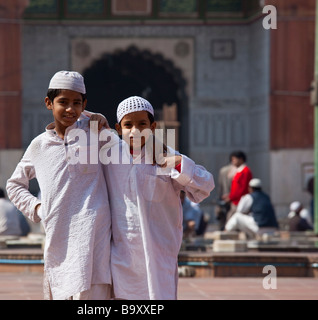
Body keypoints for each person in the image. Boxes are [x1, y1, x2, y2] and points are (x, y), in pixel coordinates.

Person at [6, 70, 116, 300]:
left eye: (77, 103)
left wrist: (100, 121)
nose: (70, 109)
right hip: (59, 238)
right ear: (49, 103)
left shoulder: (94, 132)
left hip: (95, 236)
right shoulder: (39, 146)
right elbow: (14, 185)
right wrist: (37, 209)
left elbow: (123, 156)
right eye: (63, 102)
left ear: (84, 104)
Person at [103, 96, 215, 300]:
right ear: (118, 129)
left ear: (153, 126)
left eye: (142, 124)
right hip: (122, 252)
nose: (135, 130)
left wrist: (179, 162)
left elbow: (205, 185)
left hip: (159, 252)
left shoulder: (165, 154)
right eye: (128, 125)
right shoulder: (109, 158)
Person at [222, 150, 253, 222]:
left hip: (240, 202)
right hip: (235, 201)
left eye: (234, 159)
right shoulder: (239, 171)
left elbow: (242, 188)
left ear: (241, 159)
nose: (232, 161)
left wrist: (231, 198)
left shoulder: (245, 171)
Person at [215, 160, 236, 230]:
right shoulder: (236, 170)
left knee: (223, 217)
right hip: (232, 197)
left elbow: (220, 186)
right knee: (231, 216)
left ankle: (222, 230)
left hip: (223, 196)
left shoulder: (223, 170)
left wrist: (219, 198)